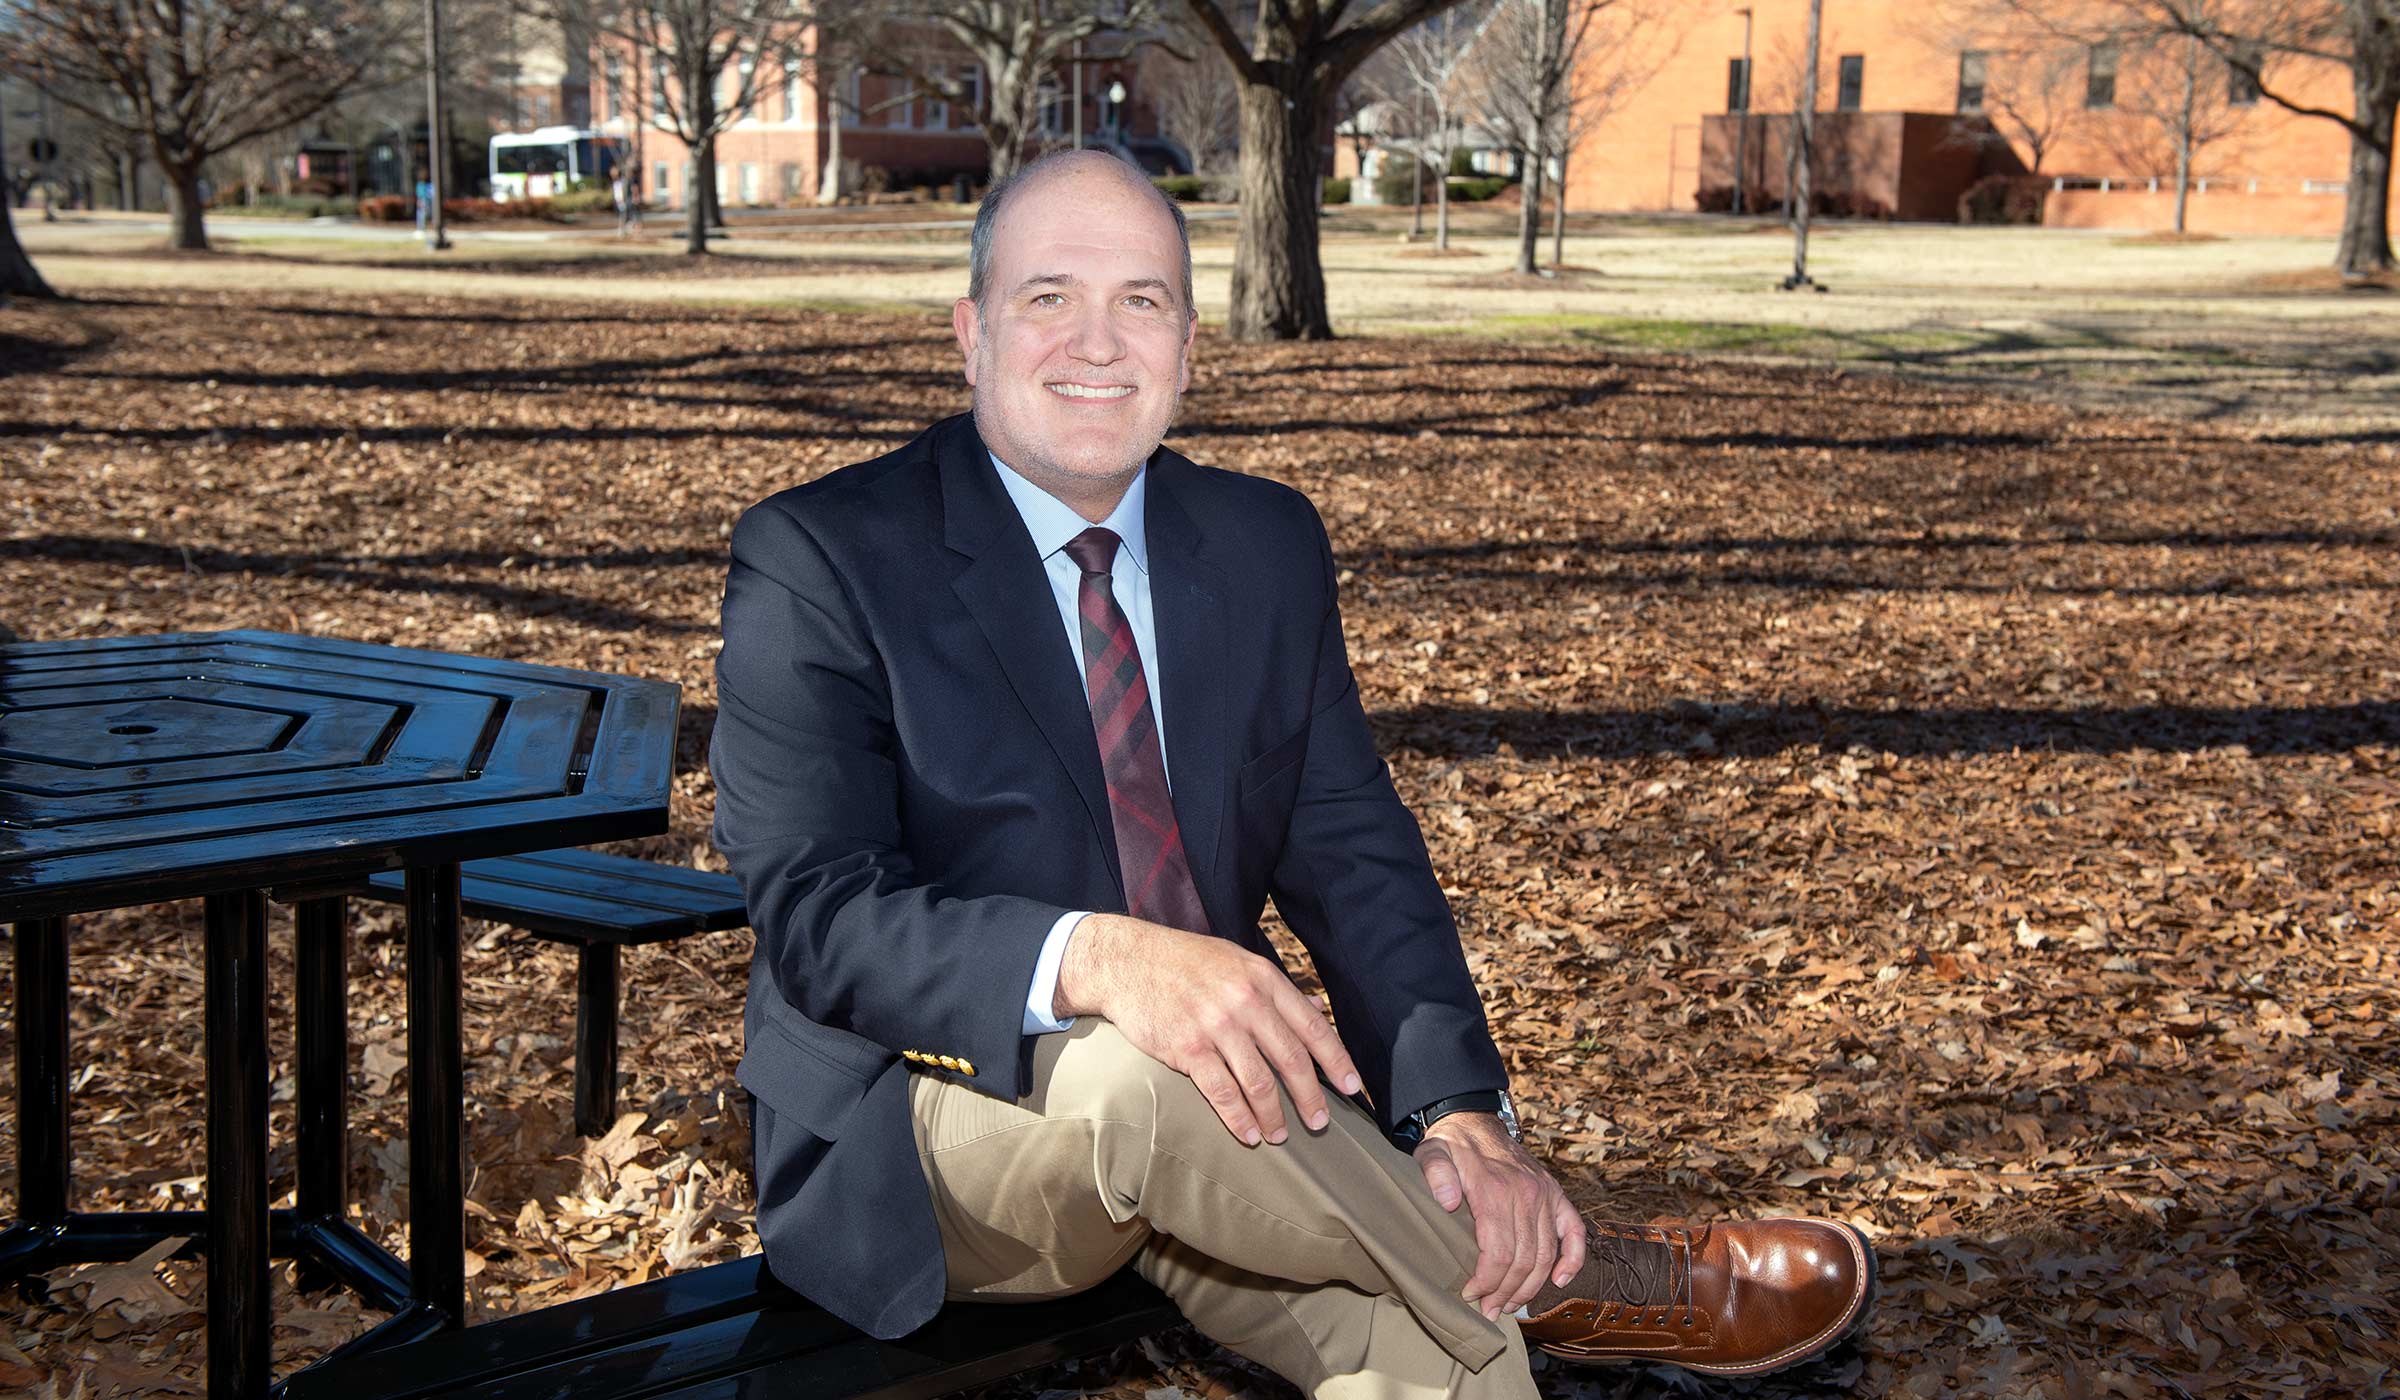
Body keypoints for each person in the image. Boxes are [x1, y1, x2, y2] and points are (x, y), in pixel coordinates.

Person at [711, 149, 1874, 1397]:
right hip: (932, 1133)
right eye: (1049, 296)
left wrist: (1459, 1117)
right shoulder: (821, 555)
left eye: (1142, 301)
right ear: (971, 330)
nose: (1098, 343)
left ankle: (1494, 1278)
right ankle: (1571, 1278)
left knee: (1442, 1347)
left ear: (1191, 345)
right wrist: (1104, 959)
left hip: (1250, 1134)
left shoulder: (1262, 544)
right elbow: (821, 917)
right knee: (1139, 1069)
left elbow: (1355, 850)